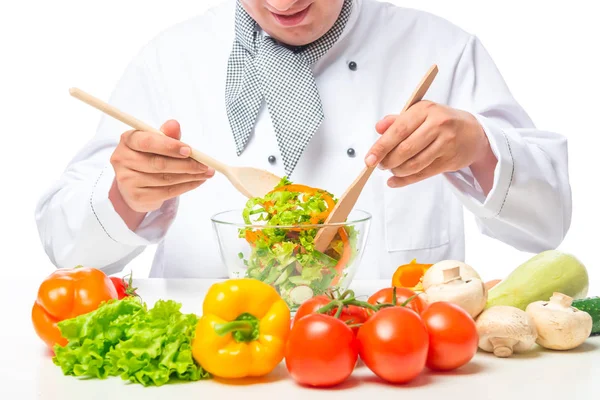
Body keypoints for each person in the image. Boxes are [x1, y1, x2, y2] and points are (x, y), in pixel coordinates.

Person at [35, 0, 571, 280]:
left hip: (392, 366)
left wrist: (480, 149)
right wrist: (125, 195)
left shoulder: (443, 48)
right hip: (215, 365)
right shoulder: (168, 58)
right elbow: (67, 248)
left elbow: (547, 222)